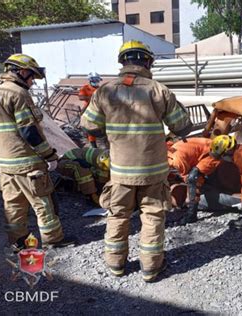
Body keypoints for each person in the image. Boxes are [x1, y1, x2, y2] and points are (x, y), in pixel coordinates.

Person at [81, 40, 192, 281]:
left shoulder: (104, 91)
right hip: (154, 173)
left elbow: (89, 125)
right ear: (148, 61)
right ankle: (151, 269)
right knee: (152, 216)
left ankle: (116, 266)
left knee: (118, 215)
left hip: (120, 171)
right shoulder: (159, 90)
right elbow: (183, 126)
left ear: (122, 62)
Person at [0, 53, 75, 250]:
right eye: (31, 76)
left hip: (5, 164)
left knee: (13, 205)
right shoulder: (18, 94)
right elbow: (28, 130)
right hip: (27, 163)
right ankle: (53, 239)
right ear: (22, 72)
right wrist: (49, 155)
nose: (32, 82)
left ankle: (18, 241)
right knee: (43, 204)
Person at [167, 137, 221, 225]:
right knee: (192, 177)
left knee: (193, 178)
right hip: (203, 149)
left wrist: (190, 197)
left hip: (213, 153)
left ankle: (192, 214)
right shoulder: (167, 153)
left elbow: (191, 180)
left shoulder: (176, 161)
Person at [78, 72, 102, 147]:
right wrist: (91, 98)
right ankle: (93, 145)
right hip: (88, 108)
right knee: (89, 126)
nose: (96, 82)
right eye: (95, 80)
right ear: (90, 80)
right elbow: (81, 97)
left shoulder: (101, 89)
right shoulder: (85, 88)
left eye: (97, 80)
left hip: (100, 108)